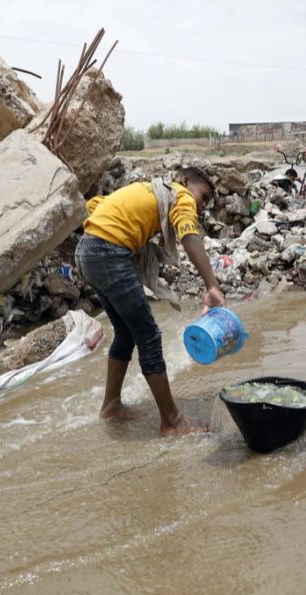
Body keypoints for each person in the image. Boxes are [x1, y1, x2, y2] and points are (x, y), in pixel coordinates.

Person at [75, 167, 225, 435]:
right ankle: (172, 421)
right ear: (186, 181)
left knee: (125, 333)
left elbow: (95, 205)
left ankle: (111, 407)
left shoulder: (148, 189)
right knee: (149, 336)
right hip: (108, 251)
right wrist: (212, 285)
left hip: (87, 250)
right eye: (203, 197)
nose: (201, 207)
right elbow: (189, 235)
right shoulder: (180, 195)